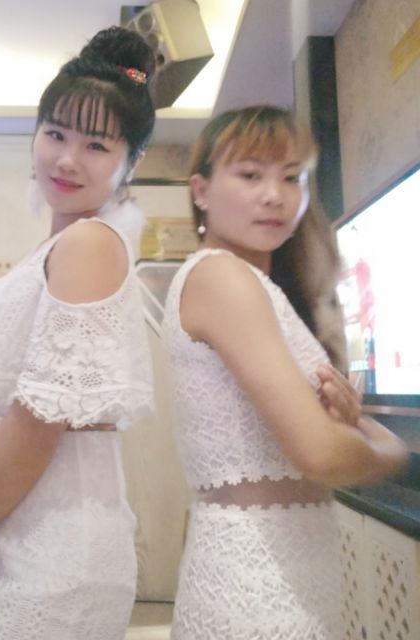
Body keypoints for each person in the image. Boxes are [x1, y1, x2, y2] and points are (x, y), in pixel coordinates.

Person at [0, 26, 157, 639]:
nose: (68, 158)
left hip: (59, 548)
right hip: (20, 530)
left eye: (96, 144)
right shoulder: (54, 248)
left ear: (131, 162)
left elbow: (37, 422)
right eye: (55, 133)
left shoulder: (90, 242)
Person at [162, 105, 409, 639]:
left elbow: (326, 434)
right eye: (250, 175)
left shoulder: (257, 285)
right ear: (201, 190)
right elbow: (320, 453)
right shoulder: (222, 276)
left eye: (292, 177)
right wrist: (391, 452)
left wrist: (348, 426)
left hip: (283, 566)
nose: (274, 195)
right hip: (256, 582)